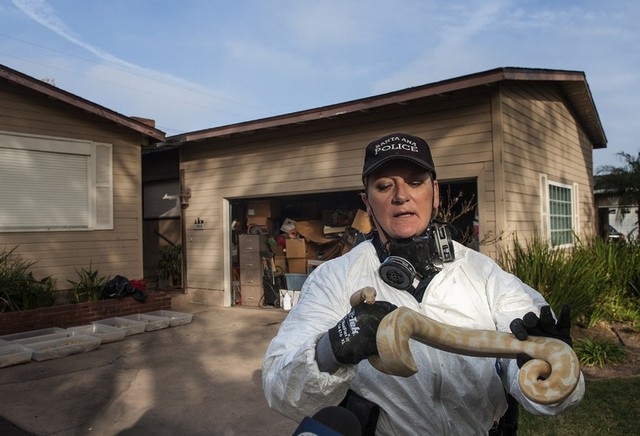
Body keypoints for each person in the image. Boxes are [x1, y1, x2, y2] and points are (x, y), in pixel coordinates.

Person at [262, 132, 584, 435]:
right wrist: (334, 346)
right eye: (384, 186)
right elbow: (279, 388)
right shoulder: (333, 279)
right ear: (367, 202)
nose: (401, 196)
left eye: (415, 182)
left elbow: (554, 395)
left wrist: (542, 360)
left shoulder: (483, 273)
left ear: (436, 194)